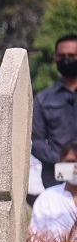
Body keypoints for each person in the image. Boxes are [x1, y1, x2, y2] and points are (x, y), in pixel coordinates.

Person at [32, 34, 77, 189]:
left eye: (72, 55)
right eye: (62, 56)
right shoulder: (43, 99)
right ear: (55, 59)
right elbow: (35, 141)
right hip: (56, 176)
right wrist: (60, 157)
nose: (66, 59)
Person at [29, 138, 77, 242]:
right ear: (60, 163)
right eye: (70, 162)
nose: (75, 168)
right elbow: (35, 239)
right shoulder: (47, 198)